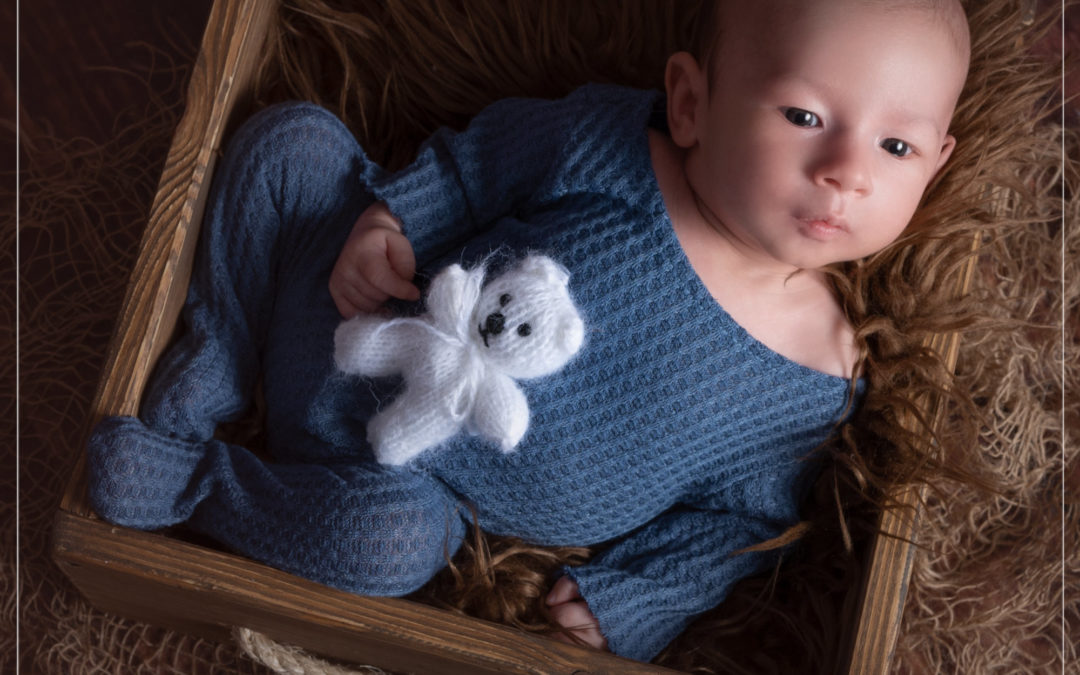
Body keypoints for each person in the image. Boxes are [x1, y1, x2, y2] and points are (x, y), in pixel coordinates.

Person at [87, 0, 970, 662]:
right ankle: (216, 363)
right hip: (347, 304)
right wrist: (397, 220)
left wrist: (635, 599)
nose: (845, 171)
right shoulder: (621, 146)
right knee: (294, 145)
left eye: (896, 148)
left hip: (418, 487)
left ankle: (199, 481)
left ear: (937, 165)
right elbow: (480, 166)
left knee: (384, 548)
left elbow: (740, 520)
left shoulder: (817, 373)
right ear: (693, 102)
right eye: (804, 117)